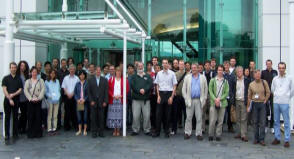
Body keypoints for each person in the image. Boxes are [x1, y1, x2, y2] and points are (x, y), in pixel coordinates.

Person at [182, 63, 208, 140]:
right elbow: (184, 89)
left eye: (195, 68)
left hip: (199, 100)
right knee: (188, 117)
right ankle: (187, 132)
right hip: (190, 100)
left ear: (198, 68)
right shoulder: (187, 77)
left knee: (199, 118)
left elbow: (205, 89)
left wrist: (205, 98)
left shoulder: (203, 77)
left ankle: (199, 133)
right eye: (192, 68)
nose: (193, 69)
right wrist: (186, 98)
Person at [271, 62, 294, 148]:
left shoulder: (289, 78)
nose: (281, 69)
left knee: (286, 122)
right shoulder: (275, 79)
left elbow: (292, 90)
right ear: (278, 68)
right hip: (276, 102)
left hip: (285, 103)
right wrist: (277, 95)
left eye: (283, 68)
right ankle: (277, 138)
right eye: (280, 68)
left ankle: (287, 140)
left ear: (285, 69)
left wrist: (287, 96)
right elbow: (272, 89)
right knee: (276, 121)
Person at [153, 59, 177, 138]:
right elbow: (157, 85)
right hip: (161, 94)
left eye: (166, 63)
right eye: (163, 63)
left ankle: (167, 132)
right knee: (158, 114)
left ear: (168, 64)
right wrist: (158, 96)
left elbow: (174, 86)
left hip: (169, 94)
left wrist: (171, 97)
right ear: (162, 64)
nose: (165, 64)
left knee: (168, 115)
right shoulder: (159, 74)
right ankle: (157, 132)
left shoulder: (172, 74)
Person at [247, 70, 270, 146]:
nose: (257, 76)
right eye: (256, 74)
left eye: (259, 74)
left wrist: (266, 100)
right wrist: (248, 106)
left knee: (263, 122)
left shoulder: (264, 82)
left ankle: (262, 139)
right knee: (255, 122)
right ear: (254, 76)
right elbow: (249, 96)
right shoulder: (251, 84)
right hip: (254, 104)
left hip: (262, 104)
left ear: (260, 75)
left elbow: (268, 92)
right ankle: (256, 139)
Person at [2, 62, 23, 145]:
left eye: (15, 67)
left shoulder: (19, 78)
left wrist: (13, 95)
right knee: (7, 117)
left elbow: (20, 89)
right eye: (12, 67)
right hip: (7, 100)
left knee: (15, 117)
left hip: (16, 100)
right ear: (9, 68)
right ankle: (7, 134)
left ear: (16, 68)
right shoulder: (5, 78)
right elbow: (4, 89)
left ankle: (15, 133)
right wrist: (9, 98)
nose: (13, 69)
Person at [131, 62, 153, 136]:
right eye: (139, 66)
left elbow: (150, 85)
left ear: (143, 67)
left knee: (147, 116)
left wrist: (145, 90)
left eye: (141, 66)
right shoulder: (134, 76)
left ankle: (147, 129)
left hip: (145, 100)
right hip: (136, 99)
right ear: (137, 67)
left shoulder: (147, 76)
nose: (140, 67)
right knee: (135, 116)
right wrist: (139, 90)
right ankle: (135, 130)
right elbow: (133, 86)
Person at [208, 65, 229, 141]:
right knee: (212, 120)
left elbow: (226, 92)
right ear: (217, 71)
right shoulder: (212, 80)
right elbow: (210, 91)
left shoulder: (225, 81)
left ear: (223, 71)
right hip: (214, 103)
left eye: (221, 70)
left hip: (222, 103)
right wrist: (215, 99)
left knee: (220, 121)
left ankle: (218, 135)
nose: (220, 71)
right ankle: (210, 134)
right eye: (219, 70)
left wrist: (219, 99)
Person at [107, 67, 129, 136]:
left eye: (120, 71)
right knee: (113, 116)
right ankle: (114, 130)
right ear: (115, 72)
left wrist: (121, 95)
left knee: (120, 116)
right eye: (117, 71)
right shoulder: (111, 80)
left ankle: (118, 130)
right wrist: (112, 95)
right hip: (113, 100)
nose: (118, 73)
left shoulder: (124, 80)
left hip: (120, 100)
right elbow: (108, 89)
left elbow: (127, 89)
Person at [24, 67, 45, 138]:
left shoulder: (41, 80)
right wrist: (30, 98)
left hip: (38, 101)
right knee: (30, 117)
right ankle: (31, 133)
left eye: (35, 72)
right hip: (30, 101)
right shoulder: (28, 81)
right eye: (33, 72)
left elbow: (43, 89)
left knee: (38, 117)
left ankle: (38, 133)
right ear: (30, 73)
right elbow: (25, 91)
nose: (34, 73)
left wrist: (39, 98)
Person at [88, 67, 109, 138]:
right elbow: (89, 92)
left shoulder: (104, 80)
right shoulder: (90, 80)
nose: (98, 72)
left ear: (101, 72)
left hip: (101, 102)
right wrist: (91, 101)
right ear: (94, 71)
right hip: (93, 102)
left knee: (101, 118)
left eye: (99, 71)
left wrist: (105, 101)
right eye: (97, 71)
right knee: (93, 118)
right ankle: (94, 132)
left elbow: (106, 92)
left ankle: (101, 132)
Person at [231, 66, 250, 142]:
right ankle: (239, 132)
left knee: (244, 118)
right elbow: (232, 90)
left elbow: (249, 91)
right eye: (237, 72)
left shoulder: (246, 80)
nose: (239, 73)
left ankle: (244, 134)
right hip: (236, 100)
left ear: (243, 72)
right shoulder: (234, 80)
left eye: (240, 71)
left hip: (243, 101)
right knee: (238, 118)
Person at [261, 59, 278, 134]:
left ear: (271, 64)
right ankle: (265, 126)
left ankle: (272, 126)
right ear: (266, 65)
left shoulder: (275, 72)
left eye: (269, 64)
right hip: (265, 94)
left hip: (273, 94)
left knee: (273, 110)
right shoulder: (263, 72)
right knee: (265, 110)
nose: (268, 65)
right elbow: (261, 82)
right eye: (267, 64)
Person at [62, 64, 80, 131]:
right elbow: (64, 87)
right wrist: (68, 94)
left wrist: (72, 94)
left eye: (73, 69)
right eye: (71, 69)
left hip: (74, 97)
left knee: (74, 112)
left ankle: (75, 125)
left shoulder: (77, 78)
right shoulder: (65, 78)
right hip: (67, 96)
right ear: (69, 70)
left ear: (75, 70)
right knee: (67, 112)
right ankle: (66, 126)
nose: (72, 70)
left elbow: (77, 88)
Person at [172, 60, 187, 134]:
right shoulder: (175, 74)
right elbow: (173, 84)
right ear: (178, 65)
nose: (181, 66)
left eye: (182, 64)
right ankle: (174, 129)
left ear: (184, 65)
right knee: (175, 114)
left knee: (186, 114)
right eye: (180, 64)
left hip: (185, 97)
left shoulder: (187, 75)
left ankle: (186, 130)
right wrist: (173, 92)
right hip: (177, 96)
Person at [16, 61, 30, 134]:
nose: (23, 67)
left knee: (24, 113)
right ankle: (18, 127)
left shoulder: (27, 75)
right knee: (16, 114)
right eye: (21, 66)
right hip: (18, 96)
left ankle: (23, 128)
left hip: (25, 97)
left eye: (24, 66)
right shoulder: (17, 75)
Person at [74, 70, 89, 136]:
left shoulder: (87, 83)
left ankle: (85, 130)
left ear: (85, 75)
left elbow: (89, 93)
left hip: (85, 102)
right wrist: (77, 99)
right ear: (79, 76)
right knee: (79, 116)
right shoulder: (77, 84)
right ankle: (79, 130)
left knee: (85, 117)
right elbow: (75, 93)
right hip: (79, 102)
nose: (82, 76)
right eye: (80, 75)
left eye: (83, 75)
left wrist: (85, 99)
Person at [57, 59, 69, 129]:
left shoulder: (68, 72)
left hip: (67, 92)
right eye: (62, 63)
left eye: (65, 63)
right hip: (60, 92)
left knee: (66, 109)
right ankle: (58, 124)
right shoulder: (58, 72)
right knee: (58, 109)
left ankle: (66, 124)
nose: (64, 64)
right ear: (61, 64)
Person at [223, 61, 235, 133]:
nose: (226, 67)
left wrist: (232, 95)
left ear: (229, 67)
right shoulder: (221, 75)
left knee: (229, 112)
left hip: (229, 97)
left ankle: (230, 126)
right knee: (221, 113)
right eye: (225, 66)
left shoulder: (232, 75)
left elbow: (234, 86)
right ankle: (220, 127)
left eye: (228, 66)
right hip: (222, 97)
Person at [147, 62, 157, 130]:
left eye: (150, 65)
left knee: (153, 110)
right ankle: (148, 124)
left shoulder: (154, 74)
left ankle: (153, 124)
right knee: (147, 111)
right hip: (146, 95)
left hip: (153, 95)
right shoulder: (144, 74)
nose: (149, 66)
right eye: (148, 65)